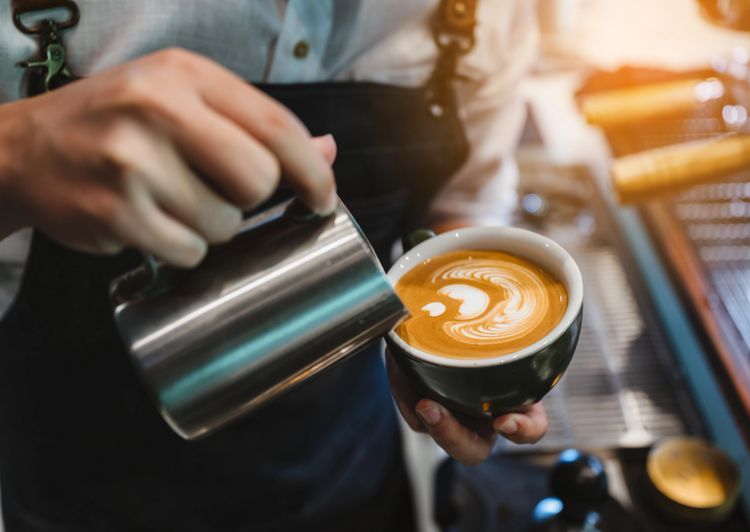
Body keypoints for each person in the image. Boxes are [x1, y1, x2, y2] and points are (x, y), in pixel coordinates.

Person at [0, 1, 547, 530]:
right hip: (81, 494)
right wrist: (18, 155)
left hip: (348, 479)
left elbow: (461, 204)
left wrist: (453, 360)